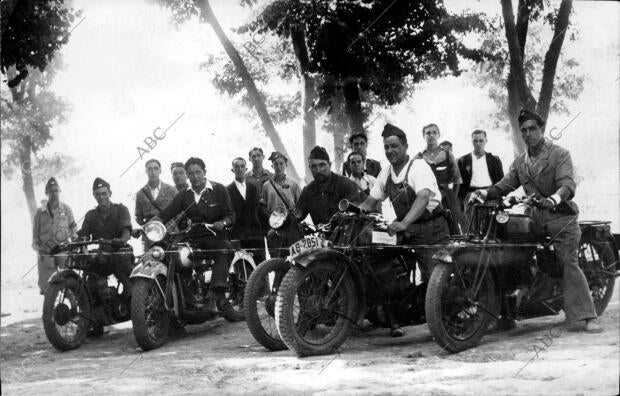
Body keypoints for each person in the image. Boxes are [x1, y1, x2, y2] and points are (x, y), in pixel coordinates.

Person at [471, 109, 602, 333]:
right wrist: (485, 193)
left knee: (567, 260)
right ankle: (506, 314)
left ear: (541, 129)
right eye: (524, 130)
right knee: (509, 252)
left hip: (561, 215)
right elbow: (505, 185)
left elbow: (567, 184)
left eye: (533, 129)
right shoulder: (520, 162)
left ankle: (587, 316)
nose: (528, 133)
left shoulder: (559, 154)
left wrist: (555, 198)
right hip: (535, 216)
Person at [360, 123, 450, 337]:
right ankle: (394, 308)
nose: (390, 151)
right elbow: (371, 201)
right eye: (386, 147)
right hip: (406, 230)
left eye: (394, 146)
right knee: (378, 255)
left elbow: (423, 197)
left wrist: (404, 223)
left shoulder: (418, 167)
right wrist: (351, 212)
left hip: (431, 229)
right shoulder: (386, 172)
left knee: (434, 280)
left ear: (406, 146)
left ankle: (447, 323)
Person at [157, 157, 241, 319]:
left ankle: (216, 293)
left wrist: (222, 222)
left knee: (224, 249)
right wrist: (150, 226)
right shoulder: (184, 195)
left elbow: (231, 214)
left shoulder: (219, 190)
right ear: (187, 176)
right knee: (175, 256)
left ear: (205, 172)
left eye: (198, 172)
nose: (195, 176)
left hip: (216, 235)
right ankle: (188, 300)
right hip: (194, 237)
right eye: (191, 173)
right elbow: (166, 214)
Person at [78, 178, 134, 297]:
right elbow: (84, 236)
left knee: (124, 272)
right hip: (103, 254)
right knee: (89, 269)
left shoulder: (121, 210)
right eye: (98, 194)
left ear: (110, 193)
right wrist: (74, 242)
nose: (101, 197)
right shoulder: (91, 215)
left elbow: (126, 230)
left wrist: (122, 240)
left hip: (121, 251)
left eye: (104, 193)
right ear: (94, 196)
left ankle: (132, 295)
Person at [32, 178, 77, 294]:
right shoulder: (40, 212)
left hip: (63, 251)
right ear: (46, 193)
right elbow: (35, 233)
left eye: (56, 191)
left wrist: (75, 241)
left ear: (60, 192)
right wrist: (37, 247)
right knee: (47, 287)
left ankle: (72, 306)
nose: (54, 194)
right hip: (46, 253)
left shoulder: (66, 209)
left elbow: (73, 228)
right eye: (51, 191)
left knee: (69, 282)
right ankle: (49, 310)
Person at [416, 123, 464, 234]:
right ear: (423, 136)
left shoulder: (448, 155)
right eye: (428, 133)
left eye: (434, 132)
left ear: (438, 135)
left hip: (446, 199)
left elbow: (457, 180)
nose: (431, 135)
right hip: (427, 200)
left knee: (452, 230)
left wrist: (452, 201)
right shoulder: (419, 157)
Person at [296, 146, 361, 225]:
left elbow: (355, 214)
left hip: (346, 235)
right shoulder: (308, 191)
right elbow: (297, 216)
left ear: (329, 164)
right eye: (314, 166)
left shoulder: (345, 184)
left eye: (322, 165)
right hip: (320, 236)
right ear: (309, 168)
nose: (318, 170)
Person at [457, 130, 504, 216]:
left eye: (481, 140)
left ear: (486, 141)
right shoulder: (463, 160)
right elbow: (459, 186)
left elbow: (501, 181)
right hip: (471, 196)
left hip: (491, 195)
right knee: (471, 226)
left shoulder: (494, 160)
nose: (478, 143)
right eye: (475, 141)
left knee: (492, 225)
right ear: (472, 141)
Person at [227, 157, 265, 263]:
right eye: (236, 166)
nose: (239, 169)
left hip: (256, 235)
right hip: (239, 236)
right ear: (232, 170)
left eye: (242, 166)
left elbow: (259, 211)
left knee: (261, 268)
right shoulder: (227, 190)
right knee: (243, 268)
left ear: (246, 169)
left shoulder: (253, 187)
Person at [135, 159, 177, 226]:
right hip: (151, 232)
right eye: (150, 169)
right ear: (146, 171)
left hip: (170, 231)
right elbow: (138, 217)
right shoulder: (140, 194)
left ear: (160, 171)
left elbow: (179, 212)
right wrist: (146, 228)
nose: (153, 172)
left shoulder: (171, 190)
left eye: (156, 169)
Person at [260, 151, 301, 216]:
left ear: (286, 165)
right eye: (276, 164)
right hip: (274, 222)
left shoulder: (293, 184)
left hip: (290, 221)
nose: (278, 167)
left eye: (281, 164)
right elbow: (263, 206)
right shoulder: (266, 186)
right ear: (272, 166)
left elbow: (300, 205)